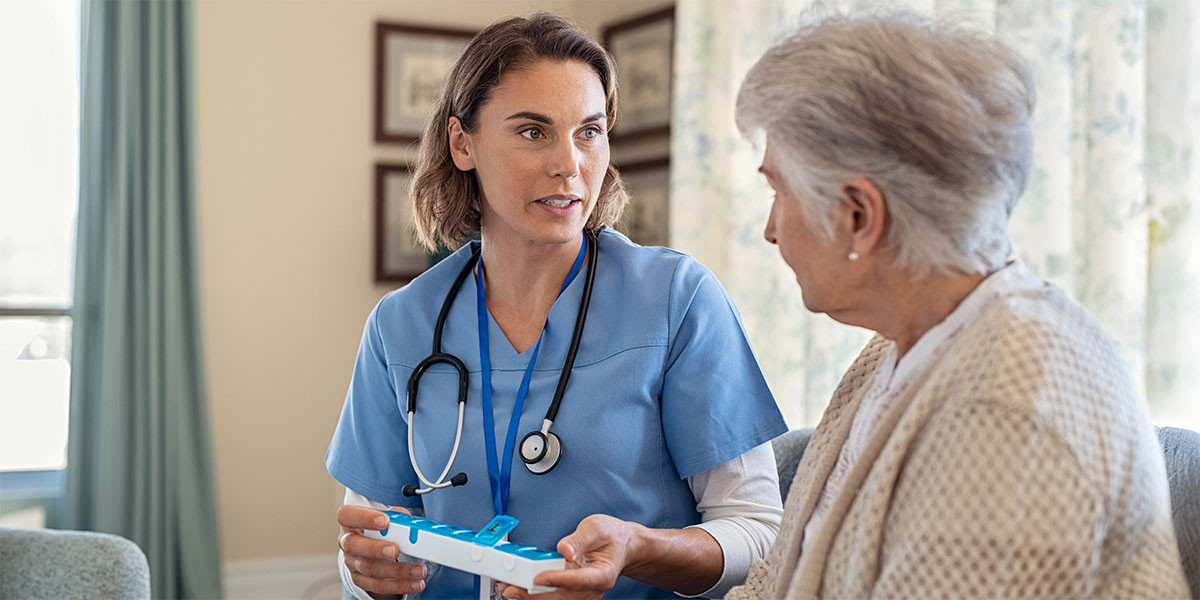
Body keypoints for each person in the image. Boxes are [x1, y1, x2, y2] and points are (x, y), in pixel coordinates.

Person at [727, 12, 1190, 599]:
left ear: (858, 216)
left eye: (779, 190)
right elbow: (779, 580)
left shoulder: (1007, 404)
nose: (770, 229)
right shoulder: (897, 348)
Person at [325, 13, 789, 600]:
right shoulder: (402, 325)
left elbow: (761, 533)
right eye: (532, 132)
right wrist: (371, 576)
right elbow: (365, 544)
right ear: (461, 143)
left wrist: (637, 550)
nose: (569, 164)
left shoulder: (676, 299)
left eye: (589, 132)